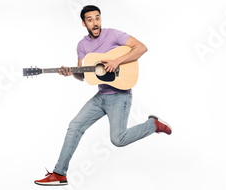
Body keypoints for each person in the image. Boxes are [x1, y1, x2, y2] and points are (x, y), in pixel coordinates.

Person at [34, 5, 172, 186]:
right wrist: (70, 72)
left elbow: (141, 48)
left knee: (118, 139)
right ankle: (59, 173)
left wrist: (117, 61)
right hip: (101, 96)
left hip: (120, 96)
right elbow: (83, 75)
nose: (95, 23)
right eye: (90, 20)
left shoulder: (113, 35)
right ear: (84, 23)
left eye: (97, 18)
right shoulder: (82, 45)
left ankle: (152, 125)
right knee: (74, 126)